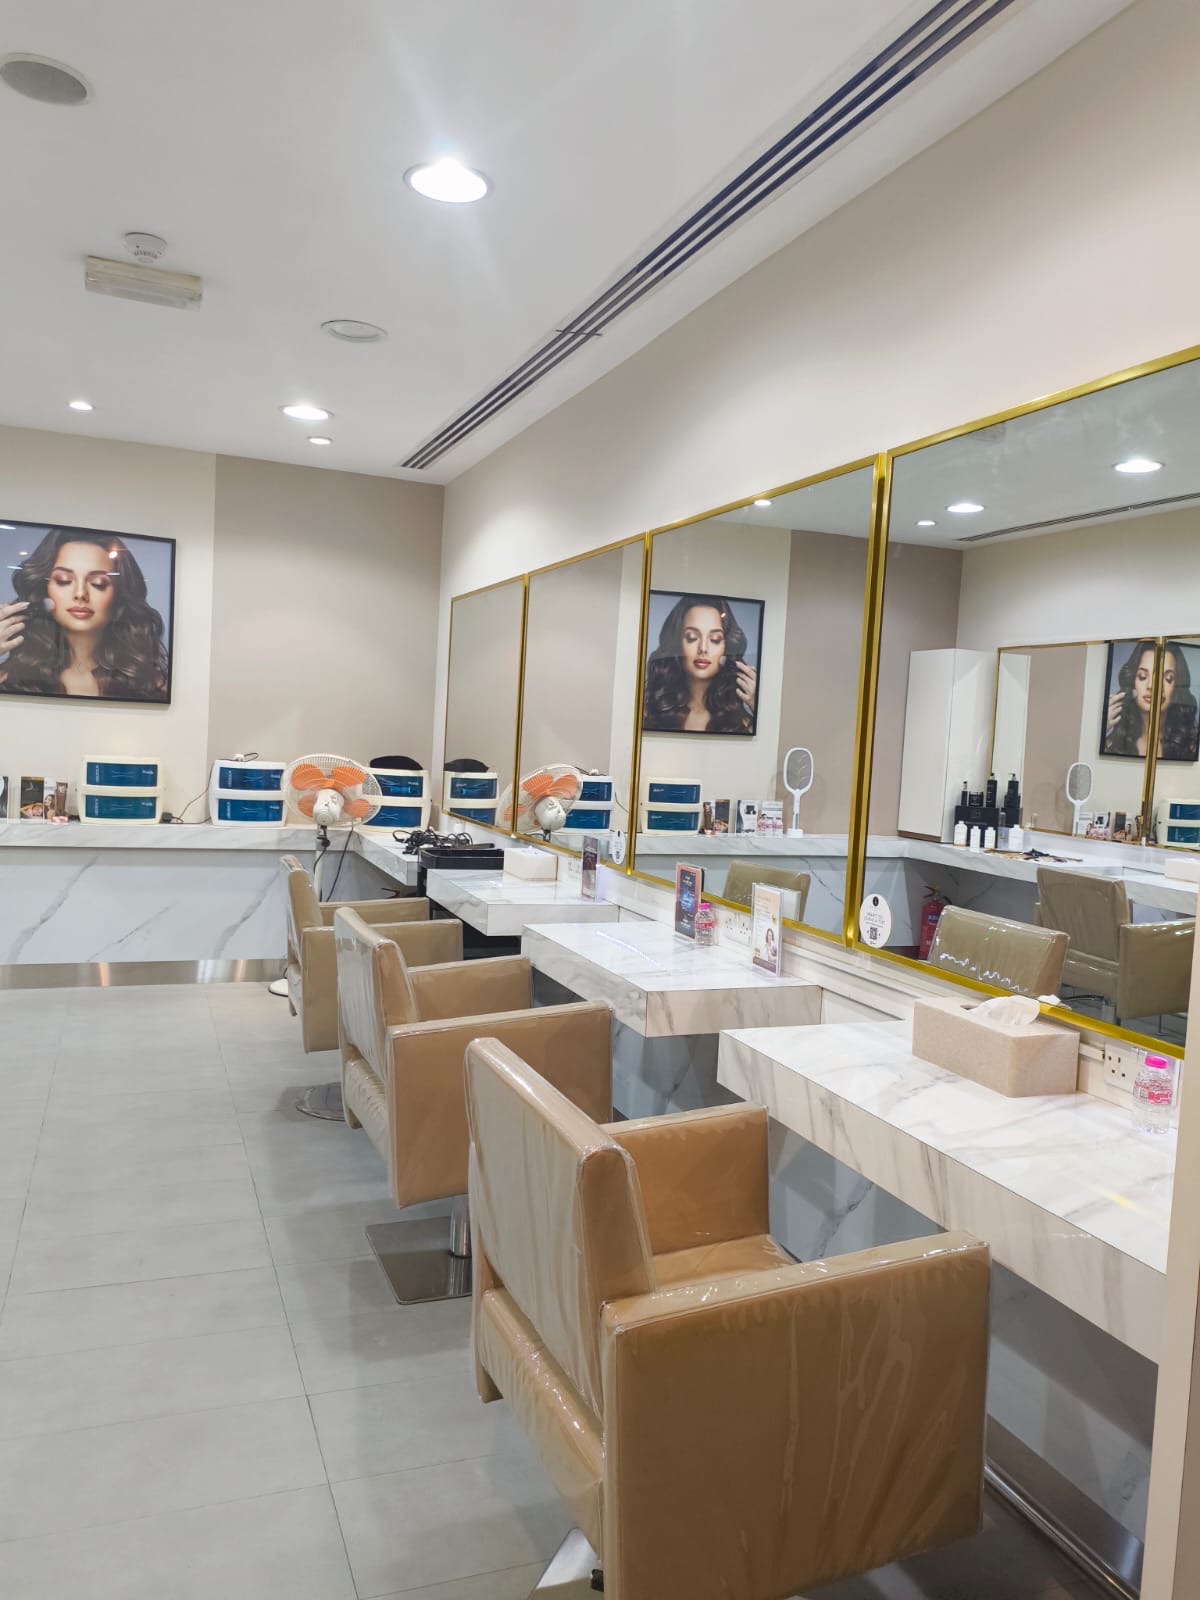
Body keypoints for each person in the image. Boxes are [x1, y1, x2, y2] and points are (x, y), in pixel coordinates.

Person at [0, 528, 168, 701]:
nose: (80, 594)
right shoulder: (8, 678)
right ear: (44, 590)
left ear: (118, 595)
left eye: (98, 583)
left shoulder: (152, 685)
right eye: (63, 581)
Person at [642, 592, 758, 733]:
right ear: (676, 644)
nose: (703, 648)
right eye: (692, 637)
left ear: (726, 648)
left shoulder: (743, 724)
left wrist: (756, 705)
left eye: (715, 639)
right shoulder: (649, 714)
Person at [1104, 640, 1199, 761]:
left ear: (1177, 688)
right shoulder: (1110, 745)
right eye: (1143, 676)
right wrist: (1103, 727)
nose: (1152, 686)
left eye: (1168, 678)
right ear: (1132, 683)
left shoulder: (1190, 749)